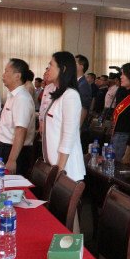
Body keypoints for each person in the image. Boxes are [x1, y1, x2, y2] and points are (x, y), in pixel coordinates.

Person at [43, 52, 86, 181]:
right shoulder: (58, 94)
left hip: (67, 170)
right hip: (54, 165)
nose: (48, 69)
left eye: (51, 65)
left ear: (63, 69)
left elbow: (69, 135)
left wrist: (59, 170)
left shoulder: (70, 95)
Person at [0, 58, 36, 176]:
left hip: (14, 152)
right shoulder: (13, 96)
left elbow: (21, 130)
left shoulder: (22, 98)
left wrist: (12, 160)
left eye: (7, 71)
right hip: (5, 148)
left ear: (18, 76)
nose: (3, 75)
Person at [75, 54, 92, 146]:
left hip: (79, 127)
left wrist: (78, 127)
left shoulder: (84, 84)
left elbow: (84, 107)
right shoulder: (76, 82)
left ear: (81, 67)